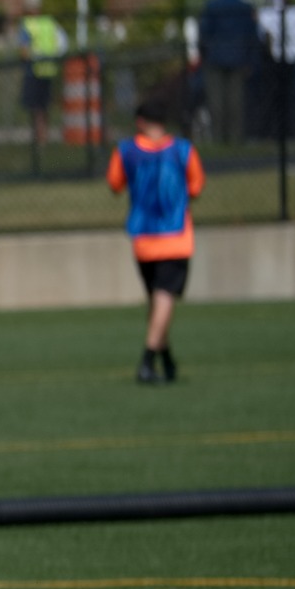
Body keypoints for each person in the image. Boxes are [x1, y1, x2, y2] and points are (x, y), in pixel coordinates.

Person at [107, 99, 203, 385]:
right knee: (163, 300)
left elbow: (114, 184)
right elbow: (196, 187)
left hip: (143, 239)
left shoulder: (126, 151)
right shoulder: (183, 150)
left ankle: (166, 359)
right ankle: (148, 360)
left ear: (139, 122)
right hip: (175, 237)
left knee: (158, 302)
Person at [200, 0, 257, 146]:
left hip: (215, 58)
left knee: (216, 102)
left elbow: (204, 33)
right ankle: (235, 138)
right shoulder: (245, 8)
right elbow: (252, 36)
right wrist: (250, 60)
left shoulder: (212, 7)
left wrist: (205, 55)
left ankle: (218, 138)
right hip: (238, 58)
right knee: (236, 102)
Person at [19, 12, 68, 151]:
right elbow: (62, 43)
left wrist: (32, 56)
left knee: (36, 108)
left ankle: (39, 140)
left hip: (34, 70)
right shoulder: (50, 23)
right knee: (44, 107)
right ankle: (44, 137)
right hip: (49, 70)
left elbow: (24, 50)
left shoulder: (28, 25)